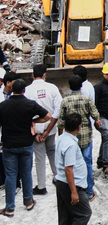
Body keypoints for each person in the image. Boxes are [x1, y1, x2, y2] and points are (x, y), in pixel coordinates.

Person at [0, 78, 51, 216]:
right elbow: (48, 116)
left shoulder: (3, 105)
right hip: (26, 144)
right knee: (26, 173)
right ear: (24, 90)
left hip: (9, 145)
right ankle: (28, 202)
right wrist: (33, 120)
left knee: (10, 175)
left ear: (11, 89)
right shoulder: (30, 104)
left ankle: (9, 208)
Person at [58, 75, 101, 202]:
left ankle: (74, 189)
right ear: (81, 86)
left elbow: (60, 121)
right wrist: (98, 122)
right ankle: (88, 191)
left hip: (71, 137)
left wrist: (60, 135)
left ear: (69, 86)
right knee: (86, 163)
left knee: (71, 165)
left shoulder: (65, 101)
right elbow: (95, 115)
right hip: (86, 136)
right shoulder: (87, 99)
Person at [25, 64, 61, 194]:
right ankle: (58, 178)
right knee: (52, 152)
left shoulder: (28, 90)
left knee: (39, 157)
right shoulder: (52, 88)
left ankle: (41, 186)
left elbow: (26, 114)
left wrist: (36, 132)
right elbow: (57, 111)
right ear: (45, 75)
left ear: (32, 75)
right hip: (50, 128)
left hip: (35, 130)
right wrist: (47, 131)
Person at [55, 112, 92, 225]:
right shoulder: (71, 145)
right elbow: (68, 169)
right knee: (84, 213)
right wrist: (74, 192)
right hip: (72, 185)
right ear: (79, 127)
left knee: (66, 216)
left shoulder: (61, 138)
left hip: (62, 182)